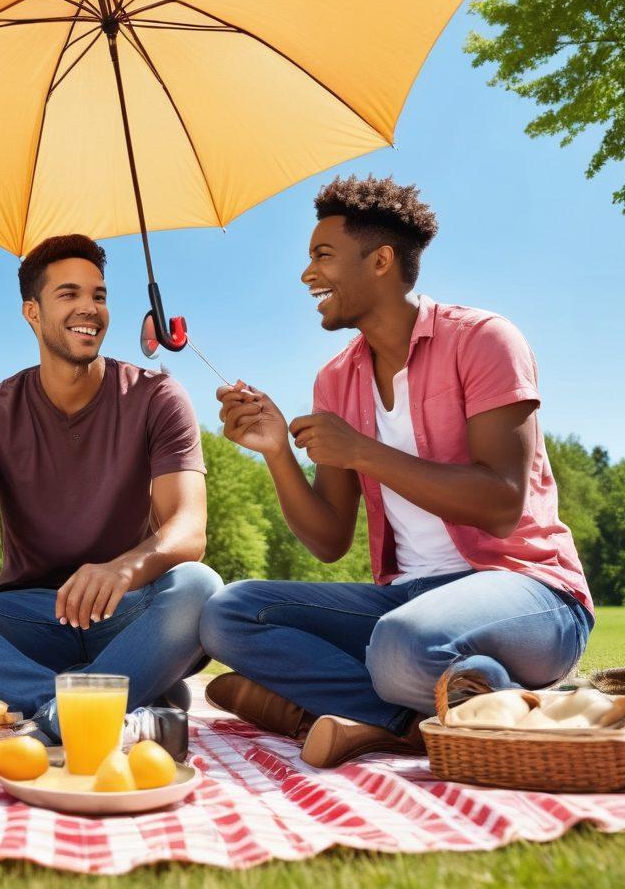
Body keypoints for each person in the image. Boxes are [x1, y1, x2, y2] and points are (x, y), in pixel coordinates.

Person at [201, 175, 593, 768]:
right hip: (409, 601)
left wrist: (363, 452)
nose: (308, 275)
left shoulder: (484, 340)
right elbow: (330, 541)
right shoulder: (337, 379)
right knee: (228, 612)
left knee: (402, 644)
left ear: (380, 260)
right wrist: (278, 452)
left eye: (322, 256)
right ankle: (444, 710)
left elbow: (503, 502)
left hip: (533, 593)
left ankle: (344, 706)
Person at [0, 235, 221, 752]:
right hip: (30, 619)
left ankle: (58, 713)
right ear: (32, 311)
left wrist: (122, 569)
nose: (89, 309)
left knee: (200, 586)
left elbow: (188, 531)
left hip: (127, 609)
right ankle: (109, 696)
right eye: (69, 294)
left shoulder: (158, 396)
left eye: (98, 295)